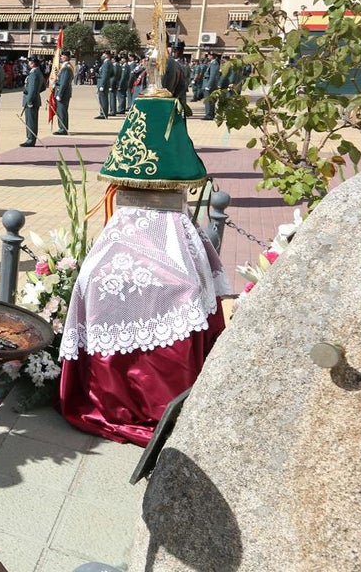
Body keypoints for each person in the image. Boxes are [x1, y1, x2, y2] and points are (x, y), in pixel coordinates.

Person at [58, 64, 229, 447]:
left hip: (168, 224)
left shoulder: (171, 116)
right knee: (93, 280)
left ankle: (160, 403)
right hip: (135, 224)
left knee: (185, 289)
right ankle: (113, 395)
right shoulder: (150, 113)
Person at [21, 58, 45, 147]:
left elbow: (32, 89)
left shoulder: (34, 73)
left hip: (31, 100)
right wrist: (36, 92)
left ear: (33, 63)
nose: (28, 63)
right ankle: (30, 138)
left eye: (29, 62)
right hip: (34, 98)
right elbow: (43, 87)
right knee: (32, 120)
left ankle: (30, 139)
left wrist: (30, 99)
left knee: (31, 121)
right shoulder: (38, 72)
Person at [52, 51, 75, 135]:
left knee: (62, 111)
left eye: (62, 56)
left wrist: (60, 94)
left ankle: (63, 129)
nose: (61, 57)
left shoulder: (66, 68)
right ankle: (62, 127)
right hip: (62, 92)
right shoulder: (65, 66)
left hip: (63, 93)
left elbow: (64, 83)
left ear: (67, 57)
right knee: (60, 111)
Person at [96, 51, 114, 119]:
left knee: (103, 99)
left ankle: (103, 113)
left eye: (104, 54)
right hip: (102, 82)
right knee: (102, 99)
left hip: (103, 83)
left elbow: (105, 75)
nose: (102, 55)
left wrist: (102, 85)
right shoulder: (106, 63)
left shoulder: (107, 63)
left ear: (107, 55)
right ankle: (102, 112)